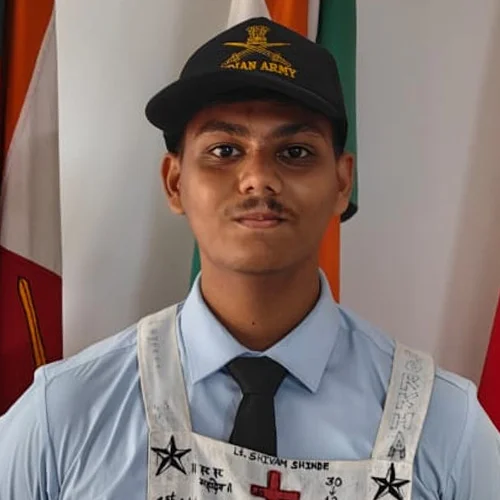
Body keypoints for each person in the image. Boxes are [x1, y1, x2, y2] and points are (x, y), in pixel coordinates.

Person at [1, 16, 499, 500]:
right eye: (224, 150)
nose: (258, 178)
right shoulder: (65, 414)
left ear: (342, 182)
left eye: (295, 152)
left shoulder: (445, 427)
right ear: (175, 183)